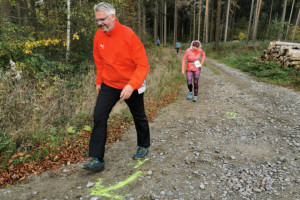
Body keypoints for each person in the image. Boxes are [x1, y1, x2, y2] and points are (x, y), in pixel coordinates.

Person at [83, 2, 151, 172]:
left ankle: (143, 145)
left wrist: (131, 85)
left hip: (130, 84)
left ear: (112, 17)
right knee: (99, 116)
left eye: (102, 19)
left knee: (139, 116)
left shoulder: (128, 35)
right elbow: (99, 61)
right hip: (109, 84)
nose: (99, 23)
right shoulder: (99, 35)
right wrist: (99, 82)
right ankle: (97, 158)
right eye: (97, 20)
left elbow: (143, 65)